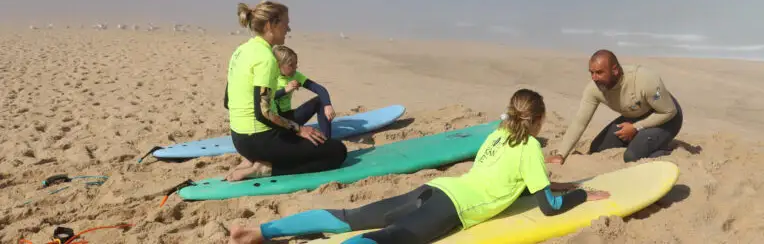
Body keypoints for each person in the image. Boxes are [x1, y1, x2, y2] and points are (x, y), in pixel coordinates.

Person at [227, 89, 611, 244]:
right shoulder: (530, 148)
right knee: (388, 239)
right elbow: (548, 206)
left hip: (438, 189)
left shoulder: (496, 134)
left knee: (349, 216)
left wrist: (551, 183)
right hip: (452, 209)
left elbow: (513, 180)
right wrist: (579, 193)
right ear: (539, 122)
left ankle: (259, 232)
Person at [223, 0, 347, 182]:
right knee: (337, 152)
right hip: (259, 139)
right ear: (270, 25)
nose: (288, 30)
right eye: (285, 24)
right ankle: (265, 168)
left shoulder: (240, 51)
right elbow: (263, 113)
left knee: (304, 142)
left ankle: (253, 159)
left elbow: (227, 101)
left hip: (239, 139)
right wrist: (298, 129)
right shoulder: (266, 58)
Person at [546, 49, 683, 164]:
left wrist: (636, 127)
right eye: (591, 72)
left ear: (615, 70)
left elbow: (669, 111)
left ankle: (663, 151)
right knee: (596, 149)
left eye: (599, 72)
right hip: (635, 115)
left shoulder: (646, 80)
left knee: (631, 157)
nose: (594, 78)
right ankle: (642, 141)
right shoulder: (594, 89)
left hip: (666, 117)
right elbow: (580, 122)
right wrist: (561, 155)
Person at [271, 45, 336, 138]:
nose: (295, 67)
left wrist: (327, 105)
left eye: (296, 64)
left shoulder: (295, 75)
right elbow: (264, 98)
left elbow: (319, 89)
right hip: (275, 121)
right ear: (279, 65)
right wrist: (285, 90)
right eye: (291, 65)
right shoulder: (270, 77)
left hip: (290, 117)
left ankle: (326, 139)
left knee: (321, 101)